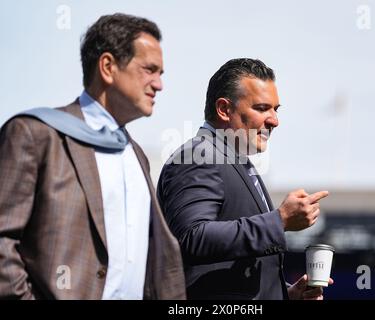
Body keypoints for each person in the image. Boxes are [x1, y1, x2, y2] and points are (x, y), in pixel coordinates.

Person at [0, 13, 185, 299]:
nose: (159, 84)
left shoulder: (136, 155)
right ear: (108, 67)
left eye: (161, 74)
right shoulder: (35, 134)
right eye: (150, 69)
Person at [157, 58, 331, 300]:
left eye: (276, 109)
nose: (274, 121)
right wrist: (279, 221)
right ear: (224, 109)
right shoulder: (198, 156)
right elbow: (191, 237)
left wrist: (286, 295)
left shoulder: (234, 161)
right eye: (261, 108)